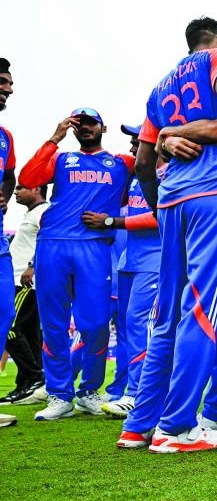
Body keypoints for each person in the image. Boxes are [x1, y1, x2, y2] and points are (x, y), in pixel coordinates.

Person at [118, 17, 217, 451]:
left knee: (166, 313)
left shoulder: (159, 88)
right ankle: (175, 427)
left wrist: (161, 189)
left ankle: (138, 425)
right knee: (205, 308)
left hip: (172, 201)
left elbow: (141, 164)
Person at [20, 108, 133, 420]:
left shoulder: (122, 162)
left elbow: (149, 174)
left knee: (95, 323)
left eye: (91, 122)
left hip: (95, 248)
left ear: (103, 127)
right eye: (79, 123)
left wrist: (112, 219)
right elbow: (28, 179)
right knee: (53, 324)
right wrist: (54, 138)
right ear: (72, 128)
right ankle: (59, 395)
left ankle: (89, 391)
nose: (85, 127)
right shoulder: (60, 158)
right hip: (53, 245)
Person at [78, 124, 160, 418]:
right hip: (130, 262)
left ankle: (142, 394)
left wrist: (112, 222)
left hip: (155, 262)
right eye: (132, 142)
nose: (133, 148)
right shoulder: (138, 179)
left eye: (138, 142)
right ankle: (128, 389)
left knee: (141, 325)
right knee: (127, 329)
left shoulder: (167, 175)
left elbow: (159, 218)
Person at [0, 183, 49, 406]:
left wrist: (31, 265)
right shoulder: (31, 213)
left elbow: (47, 239)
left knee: (9, 327)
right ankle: (28, 384)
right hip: (22, 279)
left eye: (22, 188)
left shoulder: (43, 211)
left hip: (25, 280)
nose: (16, 192)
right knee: (29, 333)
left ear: (37, 189)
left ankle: (33, 376)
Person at [0, 58, 22, 426]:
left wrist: (5, 195)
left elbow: (11, 175)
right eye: (3, 81)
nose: (9, 89)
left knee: (4, 312)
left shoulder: (5, 137)